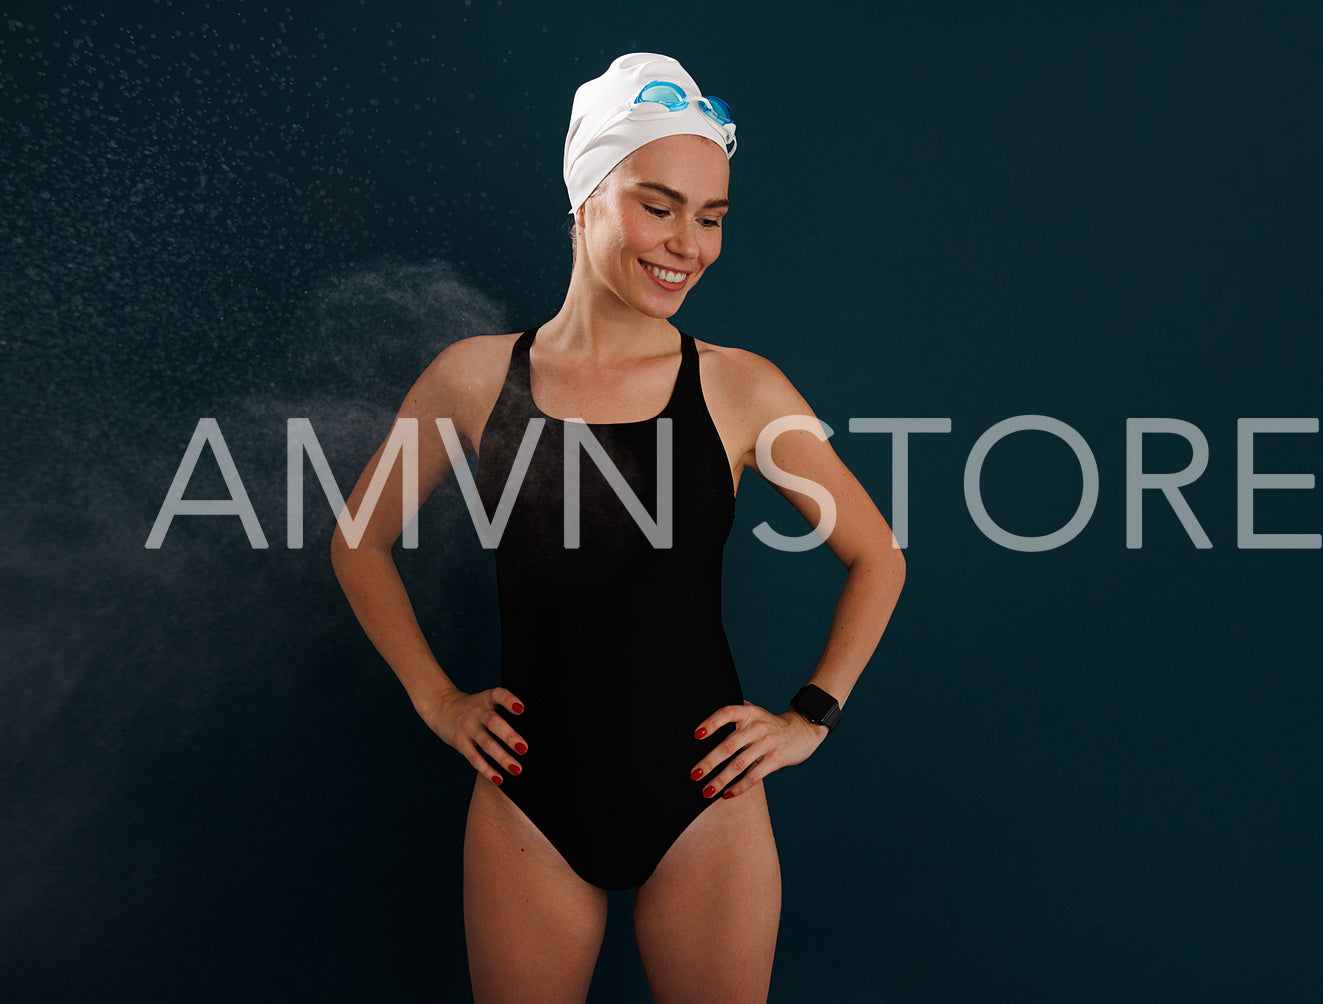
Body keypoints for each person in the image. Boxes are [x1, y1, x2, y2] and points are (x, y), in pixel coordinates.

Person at [330, 53, 904, 1003]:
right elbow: (358, 543)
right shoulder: (473, 379)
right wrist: (436, 699)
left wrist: (811, 716)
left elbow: (874, 554)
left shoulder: (739, 387)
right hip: (529, 807)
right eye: (659, 205)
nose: (688, 243)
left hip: (705, 812)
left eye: (711, 217)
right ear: (588, 196)